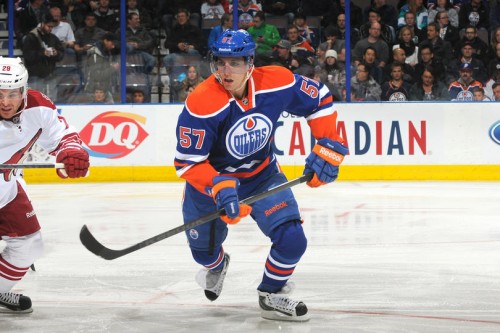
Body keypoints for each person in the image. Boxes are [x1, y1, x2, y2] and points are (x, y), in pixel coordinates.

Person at [174, 29, 347, 321]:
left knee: (293, 240)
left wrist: (327, 145)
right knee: (203, 254)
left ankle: (271, 294)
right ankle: (217, 265)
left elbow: (319, 97)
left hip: (262, 175)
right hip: (211, 184)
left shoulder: (276, 81)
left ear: (250, 63)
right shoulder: (201, 102)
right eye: (220, 62)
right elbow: (189, 164)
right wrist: (218, 186)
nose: (226, 70)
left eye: (235, 63)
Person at [0, 56, 89, 313]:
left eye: (12, 94)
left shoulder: (38, 107)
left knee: (29, 244)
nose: (5, 102)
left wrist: (71, 152)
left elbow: (64, 136)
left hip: (6, 188)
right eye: (0, 94)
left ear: (23, 91)